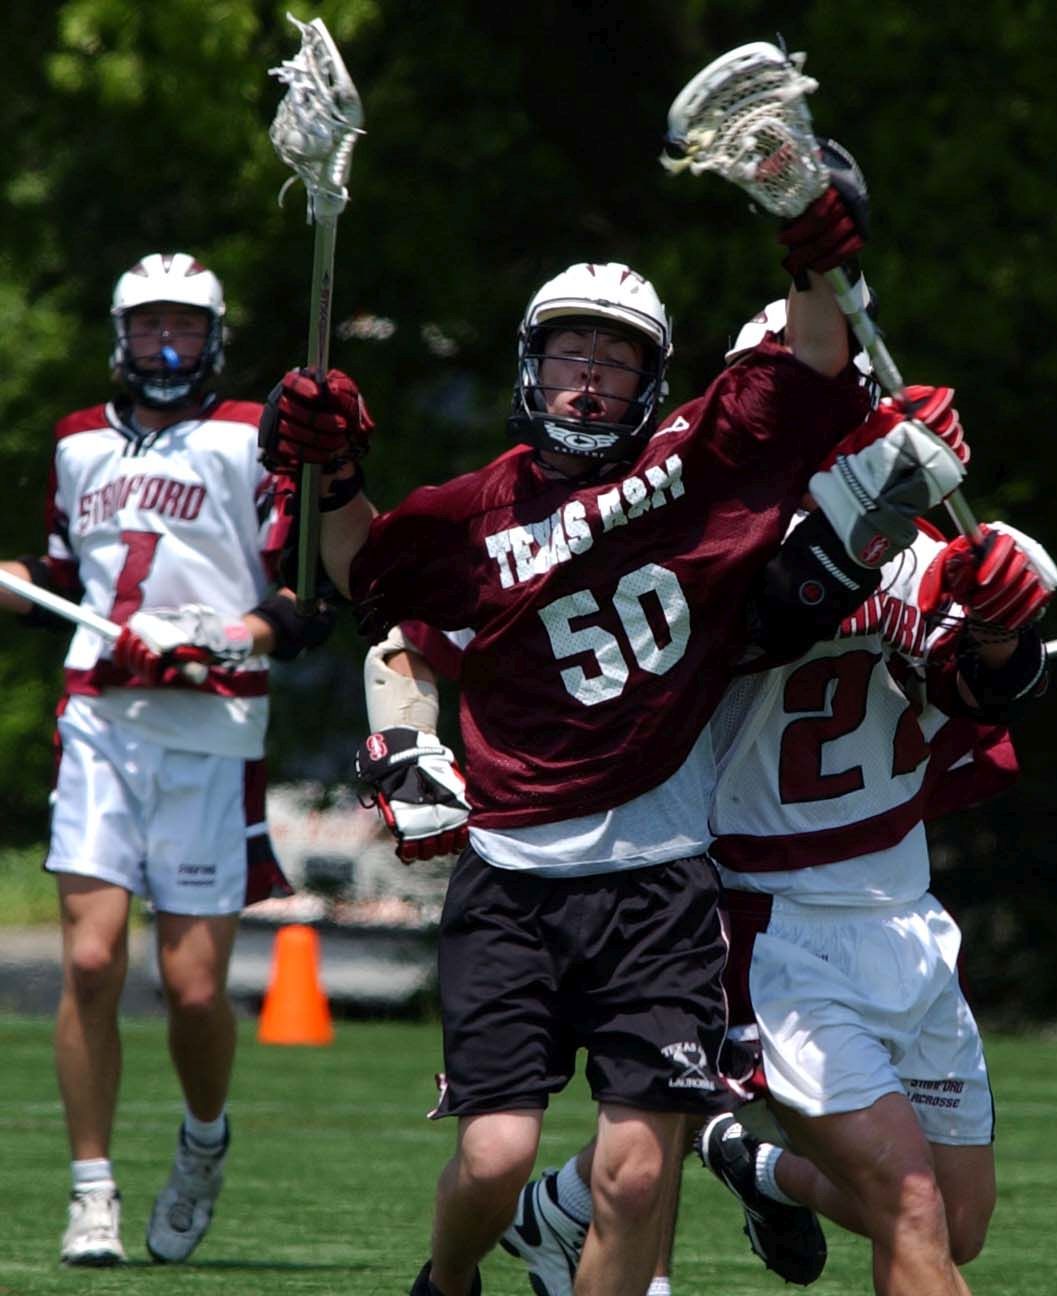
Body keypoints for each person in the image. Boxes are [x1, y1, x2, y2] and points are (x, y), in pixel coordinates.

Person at [259, 161, 893, 1296]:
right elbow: (361, 574)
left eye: (615, 361)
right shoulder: (474, 511)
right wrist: (331, 469)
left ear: (654, 381)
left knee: (636, 1180)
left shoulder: (696, 466)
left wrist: (813, 245)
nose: (589, 382)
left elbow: (812, 360)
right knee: (495, 1158)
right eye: (569, 356)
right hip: (513, 878)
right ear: (529, 366)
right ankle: (447, 1282)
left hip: (660, 880)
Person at [494, 311, 1057, 1296]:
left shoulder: (919, 548)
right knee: (908, 1206)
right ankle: (655, 1186)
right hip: (773, 923)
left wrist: (1003, 629)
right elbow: (779, 610)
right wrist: (870, 526)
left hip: (903, 910)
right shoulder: (700, 540)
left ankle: (738, 1160)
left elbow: (974, 692)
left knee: (956, 1224)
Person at [0, 251, 333, 1267]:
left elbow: (302, 600)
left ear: (214, 336)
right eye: (148, 324)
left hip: (210, 732)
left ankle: (202, 1141)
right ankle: (91, 1189)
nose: (166, 341)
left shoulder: (251, 437)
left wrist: (223, 637)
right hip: (102, 721)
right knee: (91, 960)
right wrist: (17, 582)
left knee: (191, 990)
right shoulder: (77, 441)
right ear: (122, 335)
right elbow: (65, 575)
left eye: (184, 323)